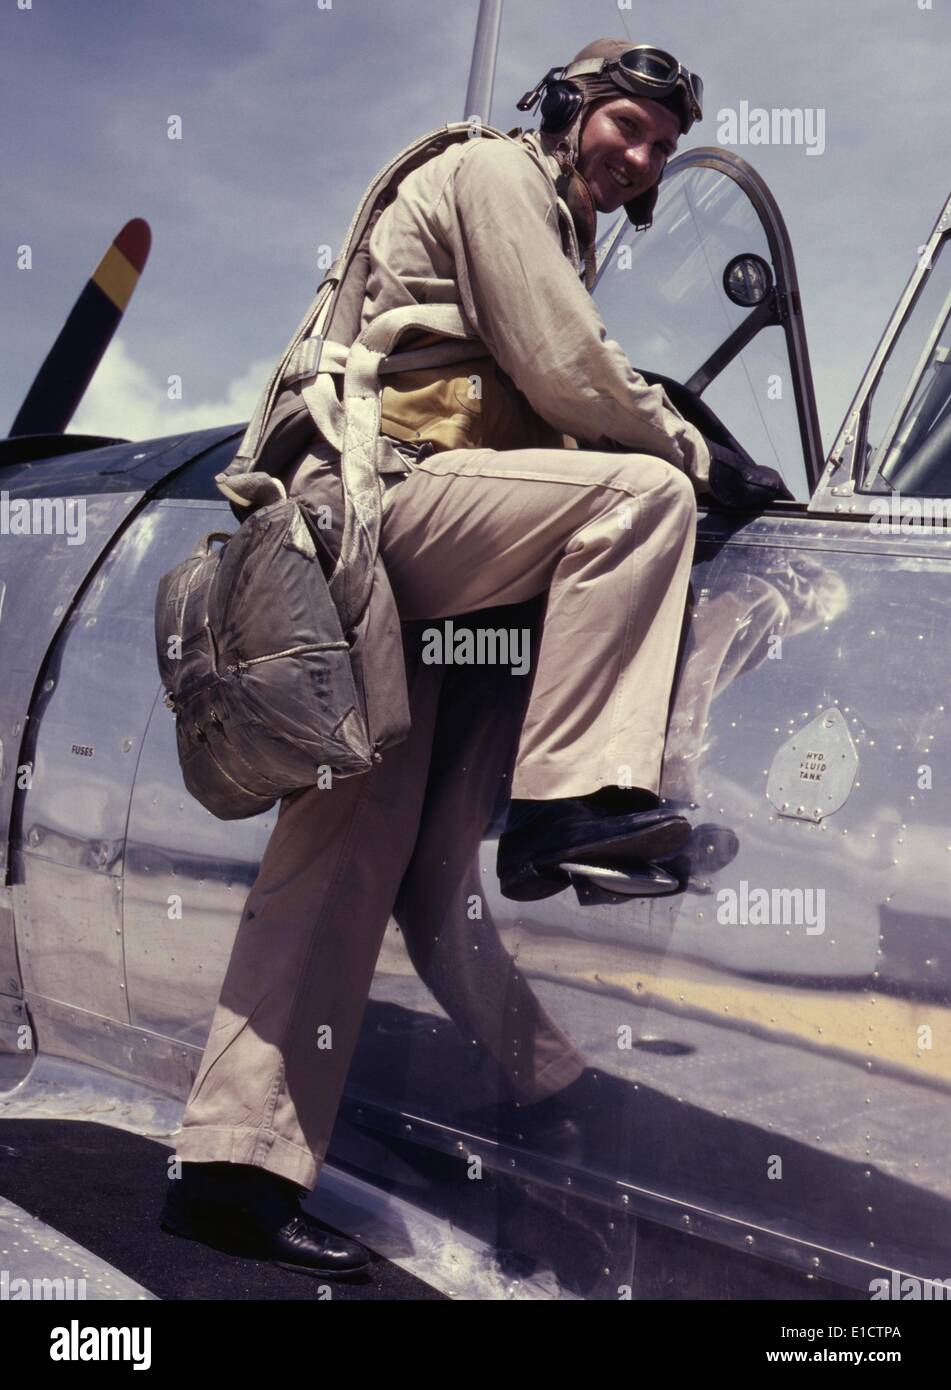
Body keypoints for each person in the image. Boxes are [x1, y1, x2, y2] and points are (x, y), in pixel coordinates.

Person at [160, 36, 789, 1279]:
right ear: (568, 107)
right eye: (629, 125)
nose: (644, 155)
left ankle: (231, 1172)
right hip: (384, 517)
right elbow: (564, 366)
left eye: (663, 146)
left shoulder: (562, 219)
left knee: (361, 862)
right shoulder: (498, 176)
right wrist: (699, 454)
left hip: (406, 566)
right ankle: (573, 805)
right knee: (638, 500)